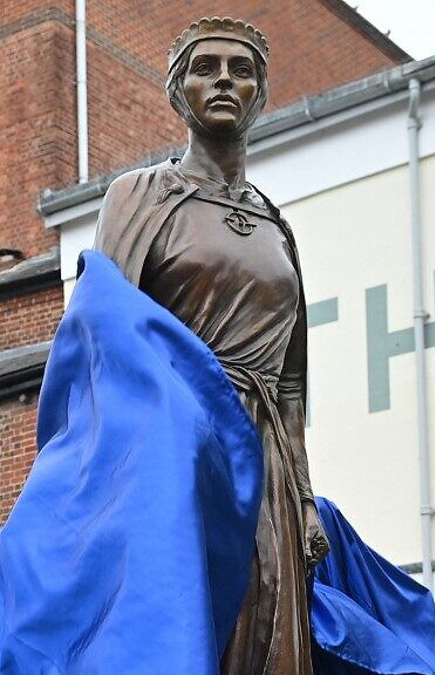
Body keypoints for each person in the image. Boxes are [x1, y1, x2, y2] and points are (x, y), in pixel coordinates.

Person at [94, 17, 329, 674]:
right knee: (193, 626)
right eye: (207, 67)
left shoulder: (276, 226)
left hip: (268, 470)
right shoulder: (138, 197)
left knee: (273, 631)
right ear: (178, 92)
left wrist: (305, 500)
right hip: (179, 445)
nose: (225, 79)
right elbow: (104, 341)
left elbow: (287, 385)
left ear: (259, 94)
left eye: (242, 69)